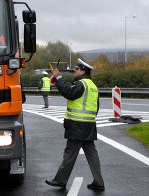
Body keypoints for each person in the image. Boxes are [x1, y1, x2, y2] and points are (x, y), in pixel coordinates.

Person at [45, 58, 105, 191]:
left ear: (83, 71)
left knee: (69, 154)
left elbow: (68, 93)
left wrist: (59, 77)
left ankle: (60, 180)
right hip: (89, 126)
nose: (74, 71)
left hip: (77, 126)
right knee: (92, 155)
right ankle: (99, 182)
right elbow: (96, 108)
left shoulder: (81, 84)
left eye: (76, 69)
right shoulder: (93, 86)